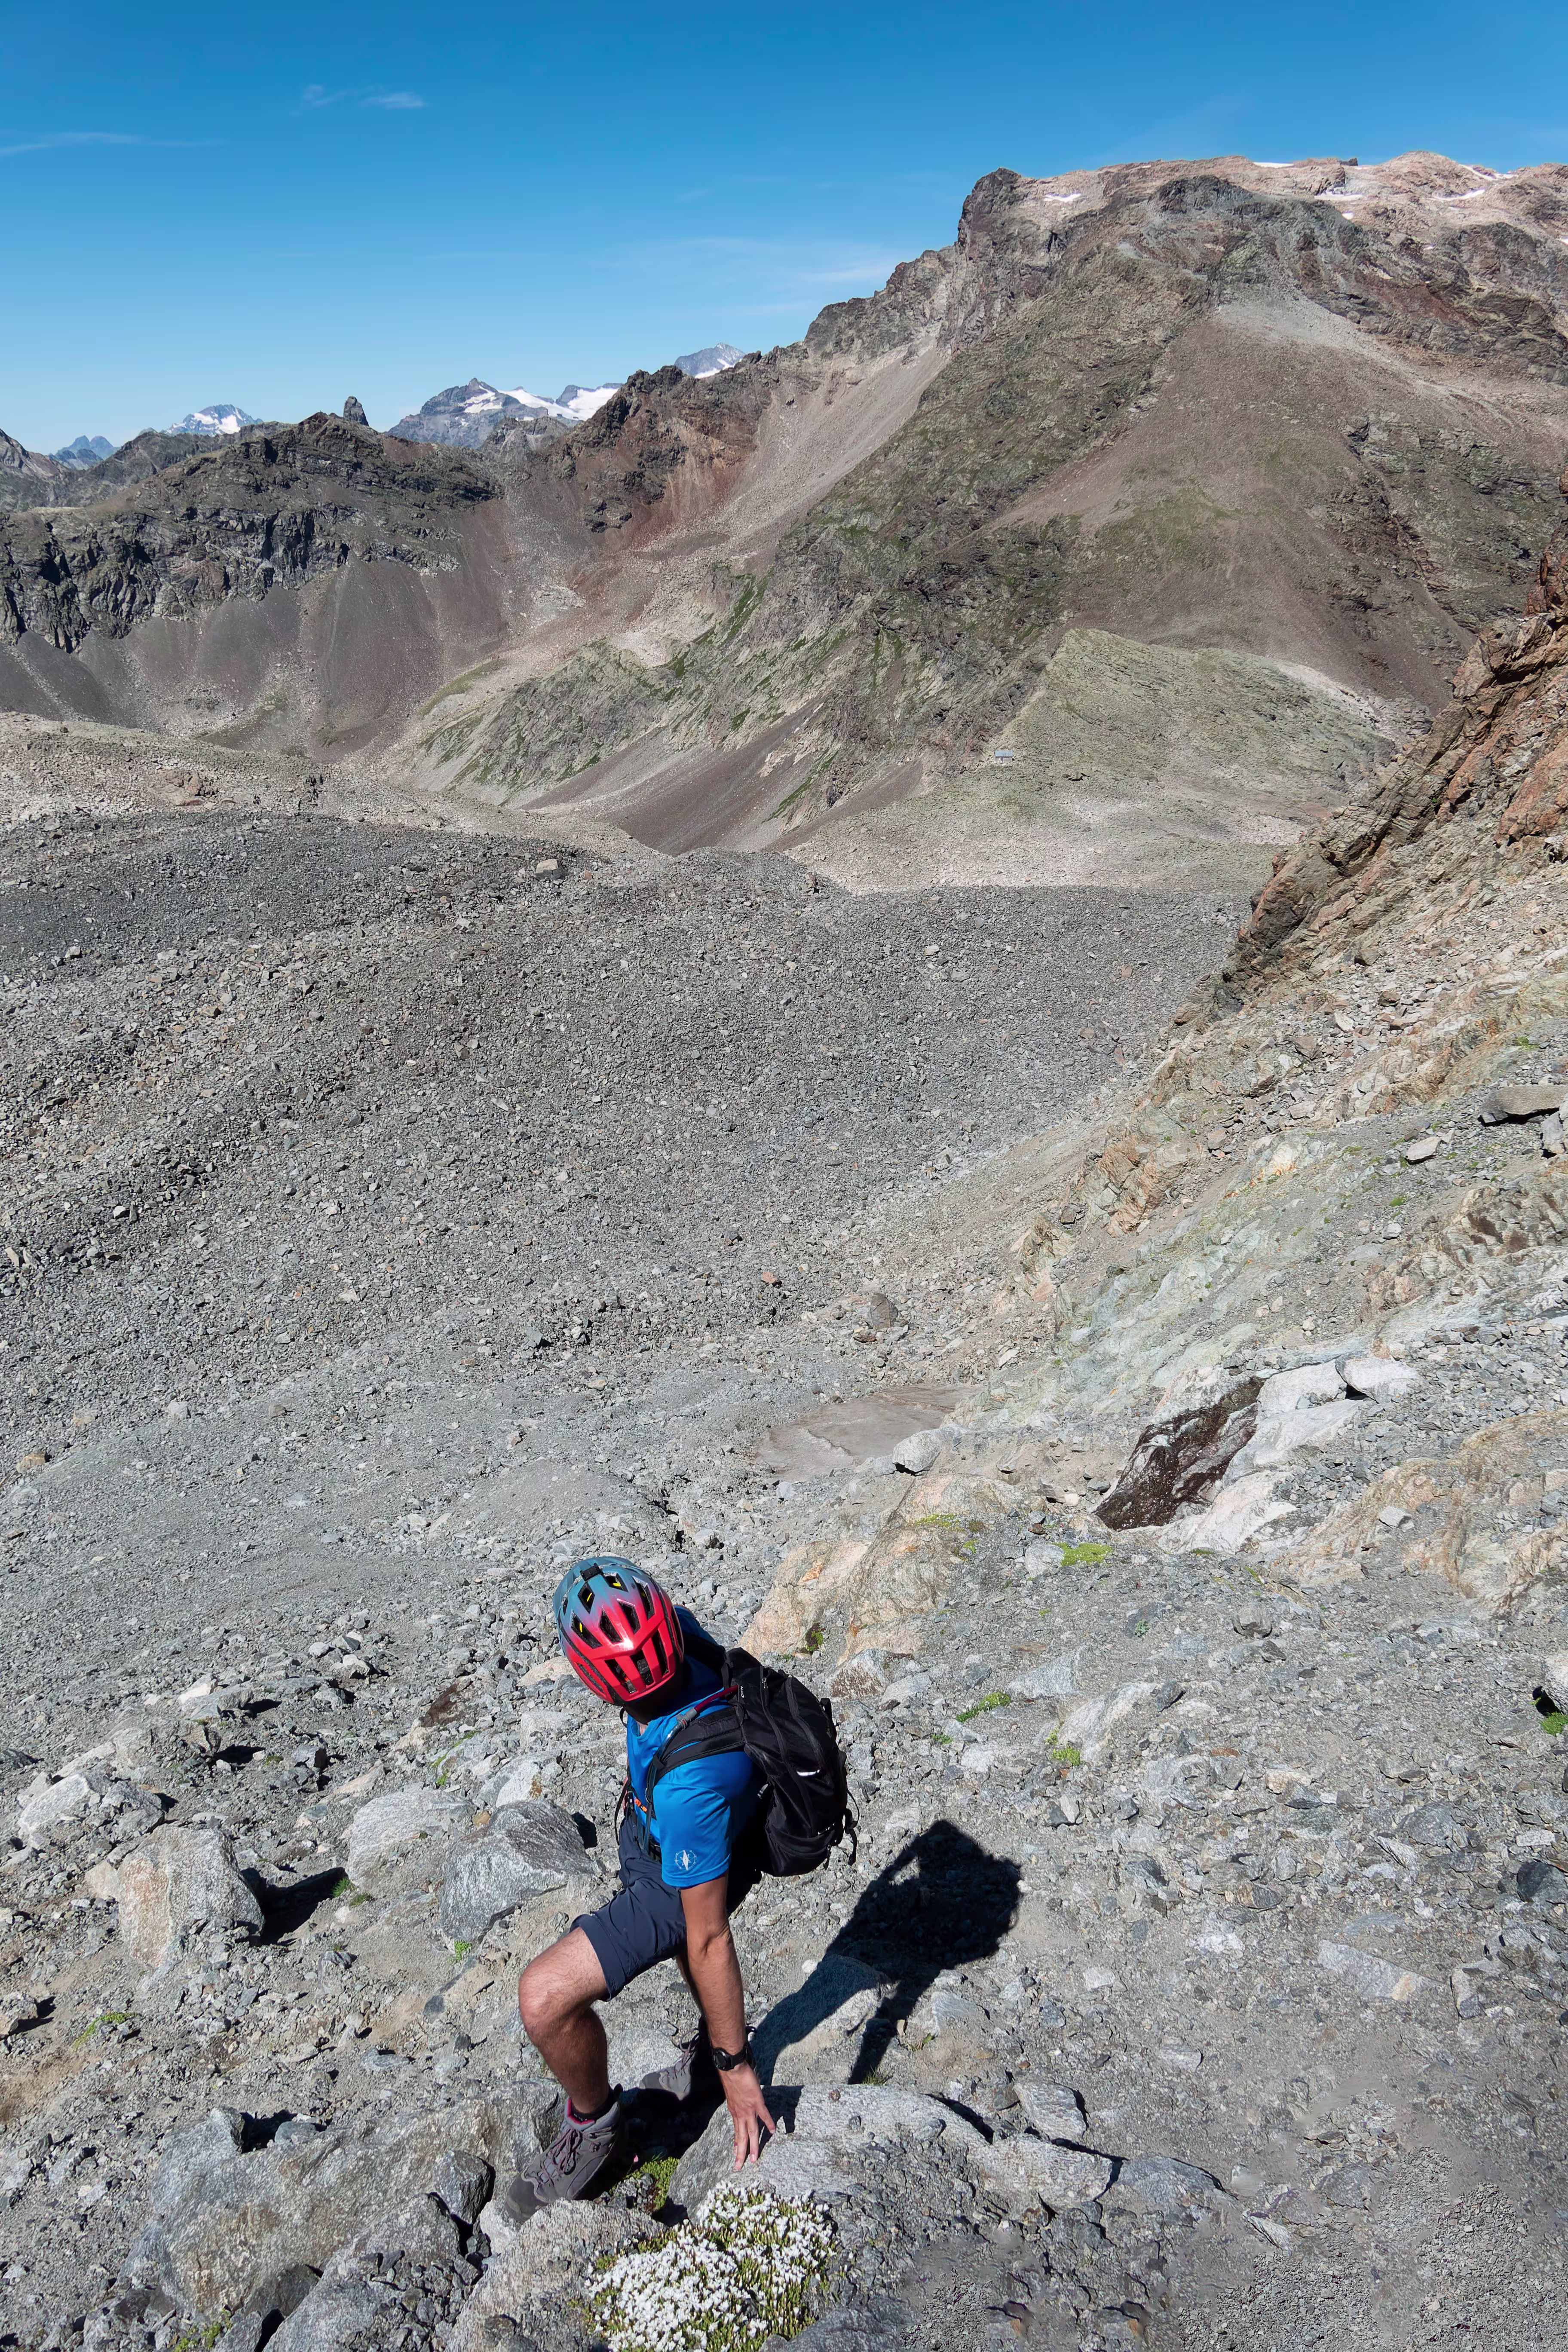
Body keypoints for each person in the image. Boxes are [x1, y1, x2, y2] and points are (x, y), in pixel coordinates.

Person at [497, 1558, 777, 2220]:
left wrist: (739, 2070)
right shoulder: (675, 1633)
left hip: (678, 1855)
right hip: (670, 1835)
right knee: (688, 1934)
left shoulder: (690, 1784)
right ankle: (706, 2061)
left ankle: (597, 2129)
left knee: (544, 1999)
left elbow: (708, 1936)